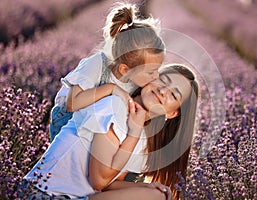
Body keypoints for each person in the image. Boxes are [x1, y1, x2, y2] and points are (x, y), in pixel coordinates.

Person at [24, 64, 199, 200]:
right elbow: (99, 180)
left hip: (73, 196)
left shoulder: (143, 136)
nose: (162, 91)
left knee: (157, 196)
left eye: (173, 95)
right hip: (42, 193)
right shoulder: (115, 106)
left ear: (172, 113)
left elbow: (109, 184)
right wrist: (133, 134)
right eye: (163, 80)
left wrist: (147, 188)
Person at [49, 2, 165, 142]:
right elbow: (72, 104)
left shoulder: (137, 82)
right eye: (151, 72)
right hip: (68, 125)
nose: (156, 76)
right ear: (125, 70)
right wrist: (111, 88)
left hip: (96, 127)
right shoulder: (97, 65)